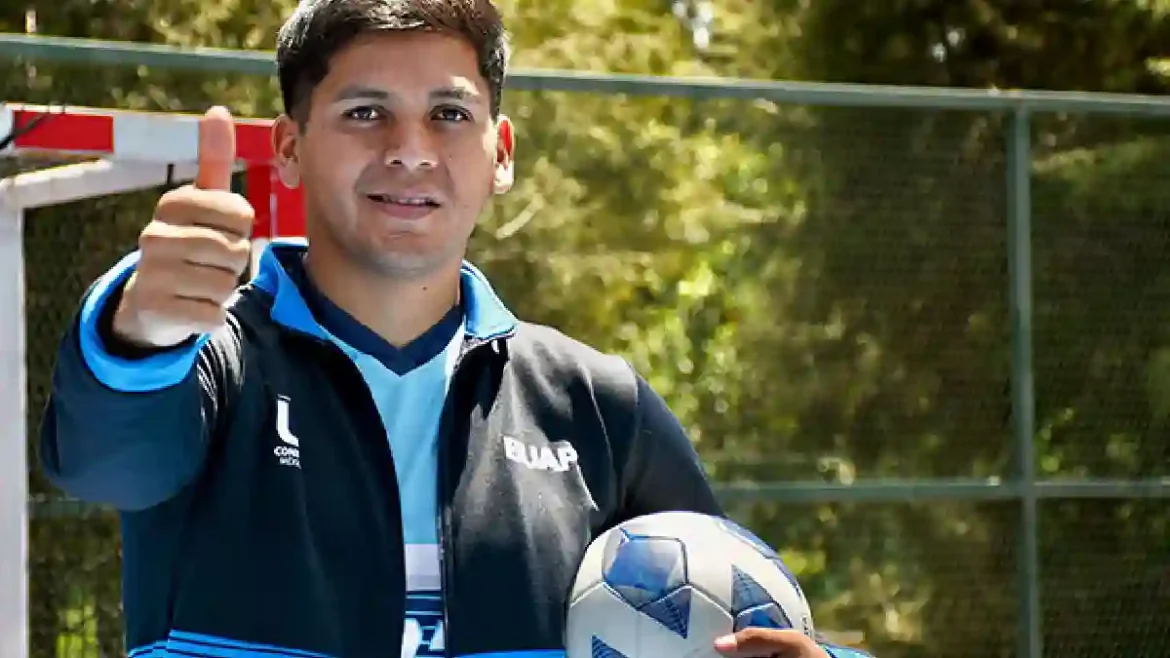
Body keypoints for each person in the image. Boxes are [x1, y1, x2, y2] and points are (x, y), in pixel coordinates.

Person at [39, 1, 867, 657]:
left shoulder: (596, 404)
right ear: (288, 148)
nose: (411, 149)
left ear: (500, 153)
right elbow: (105, 461)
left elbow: (739, 617)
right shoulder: (211, 365)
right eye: (366, 112)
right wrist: (145, 328)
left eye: (448, 113)